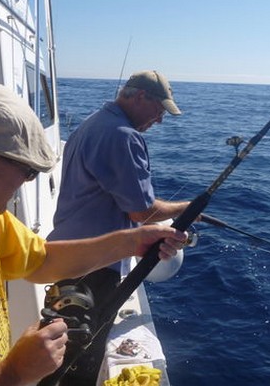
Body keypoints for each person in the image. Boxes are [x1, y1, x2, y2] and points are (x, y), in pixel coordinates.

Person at [0, 79, 186, 386]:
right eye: (28, 173)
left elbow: (41, 261)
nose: (24, 186)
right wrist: (13, 373)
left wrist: (131, 242)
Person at [47, 70, 190, 384]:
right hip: (95, 267)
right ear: (140, 97)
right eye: (159, 110)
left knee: (60, 346)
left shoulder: (93, 123)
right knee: (81, 355)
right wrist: (190, 209)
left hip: (69, 255)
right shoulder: (122, 134)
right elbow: (142, 211)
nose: (160, 120)